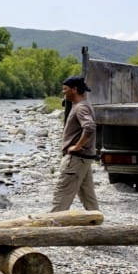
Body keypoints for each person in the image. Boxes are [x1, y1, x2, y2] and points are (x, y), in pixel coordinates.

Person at [51, 75, 100, 212]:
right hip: (84, 160)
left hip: (76, 160)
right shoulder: (81, 105)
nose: (63, 92)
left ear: (74, 89)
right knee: (88, 197)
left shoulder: (80, 107)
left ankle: (52, 228)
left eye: (65, 89)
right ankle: (96, 225)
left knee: (61, 196)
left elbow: (89, 127)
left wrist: (77, 146)